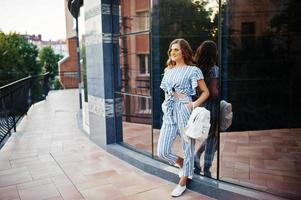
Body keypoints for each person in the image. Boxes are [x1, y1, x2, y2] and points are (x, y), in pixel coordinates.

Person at [157, 38, 209, 197]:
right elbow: (166, 91)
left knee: (188, 148)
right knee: (162, 151)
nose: (172, 52)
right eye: (171, 50)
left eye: (176, 50)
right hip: (170, 111)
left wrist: (193, 105)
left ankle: (183, 181)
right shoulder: (168, 71)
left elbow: (206, 92)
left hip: (185, 109)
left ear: (184, 52)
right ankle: (182, 164)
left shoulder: (193, 71)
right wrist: (167, 103)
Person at [193, 40, 219, 178]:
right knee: (213, 137)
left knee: (210, 135)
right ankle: (207, 167)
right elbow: (214, 92)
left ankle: (197, 156)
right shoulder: (214, 69)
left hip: (200, 104)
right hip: (212, 106)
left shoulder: (196, 69)